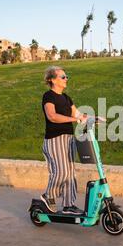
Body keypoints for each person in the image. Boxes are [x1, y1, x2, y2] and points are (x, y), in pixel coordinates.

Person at [40, 66, 87, 215]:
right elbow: (52, 116)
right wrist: (75, 119)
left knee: (70, 173)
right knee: (61, 172)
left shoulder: (67, 98)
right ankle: (48, 195)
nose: (66, 79)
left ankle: (68, 205)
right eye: (63, 77)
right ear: (52, 80)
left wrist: (92, 119)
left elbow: (78, 114)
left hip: (68, 139)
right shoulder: (49, 96)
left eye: (67, 76)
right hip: (54, 139)